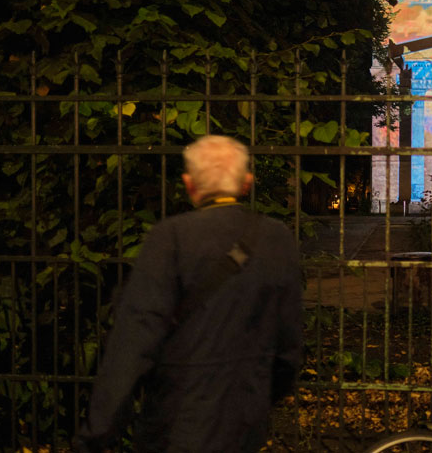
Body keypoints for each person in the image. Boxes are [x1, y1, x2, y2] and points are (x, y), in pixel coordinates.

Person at [77, 135, 303, 452]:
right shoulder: (276, 238)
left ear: (189, 184)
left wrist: (97, 432)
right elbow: (288, 347)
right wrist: (257, 397)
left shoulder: (170, 238)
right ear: (246, 183)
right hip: (244, 423)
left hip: (176, 422)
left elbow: (133, 341)